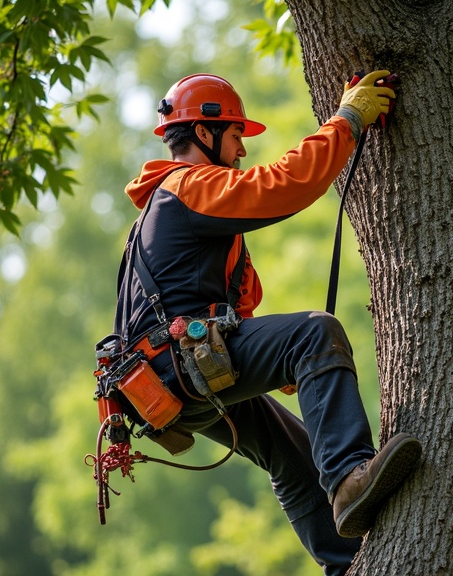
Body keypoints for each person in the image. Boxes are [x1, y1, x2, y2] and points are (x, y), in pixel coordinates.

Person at [111, 71, 422, 575]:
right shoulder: (190, 186)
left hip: (168, 386)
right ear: (204, 135)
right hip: (179, 368)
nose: (241, 151)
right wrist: (346, 122)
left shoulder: (170, 211)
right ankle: (348, 475)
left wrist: (279, 369)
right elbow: (281, 186)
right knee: (314, 332)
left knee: (293, 455)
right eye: (235, 137)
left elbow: (238, 310)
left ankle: (347, 565)